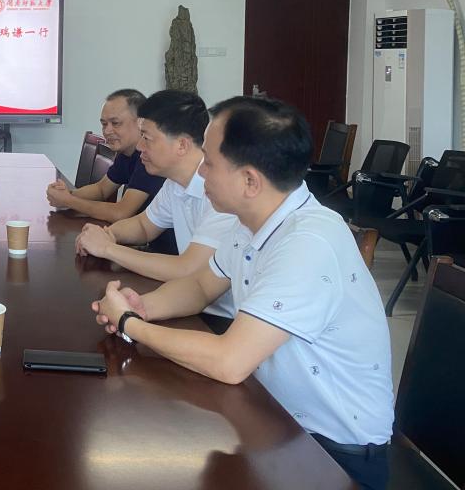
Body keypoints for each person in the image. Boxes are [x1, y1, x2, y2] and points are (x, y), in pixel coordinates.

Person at [92, 96, 393, 490]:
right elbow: (201, 285)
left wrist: (130, 323)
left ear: (250, 181)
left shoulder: (308, 243)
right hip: (271, 419)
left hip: (332, 454)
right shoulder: (252, 222)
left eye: (210, 162)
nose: (201, 170)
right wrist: (142, 304)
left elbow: (229, 361)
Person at [74, 90, 237, 323]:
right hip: (189, 302)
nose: (139, 146)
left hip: (224, 318)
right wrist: (108, 234)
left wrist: (108, 249)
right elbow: (144, 226)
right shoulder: (175, 182)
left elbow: (187, 269)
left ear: (182, 145)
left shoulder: (222, 191)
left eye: (147, 138)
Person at [45, 89, 165, 223]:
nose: (107, 131)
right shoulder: (126, 153)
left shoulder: (150, 157)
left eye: (115, 123)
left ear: (140, 123)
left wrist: (69, 201)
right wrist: (67, 194)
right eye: (104, 124)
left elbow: (121, 213)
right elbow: (101, 189)